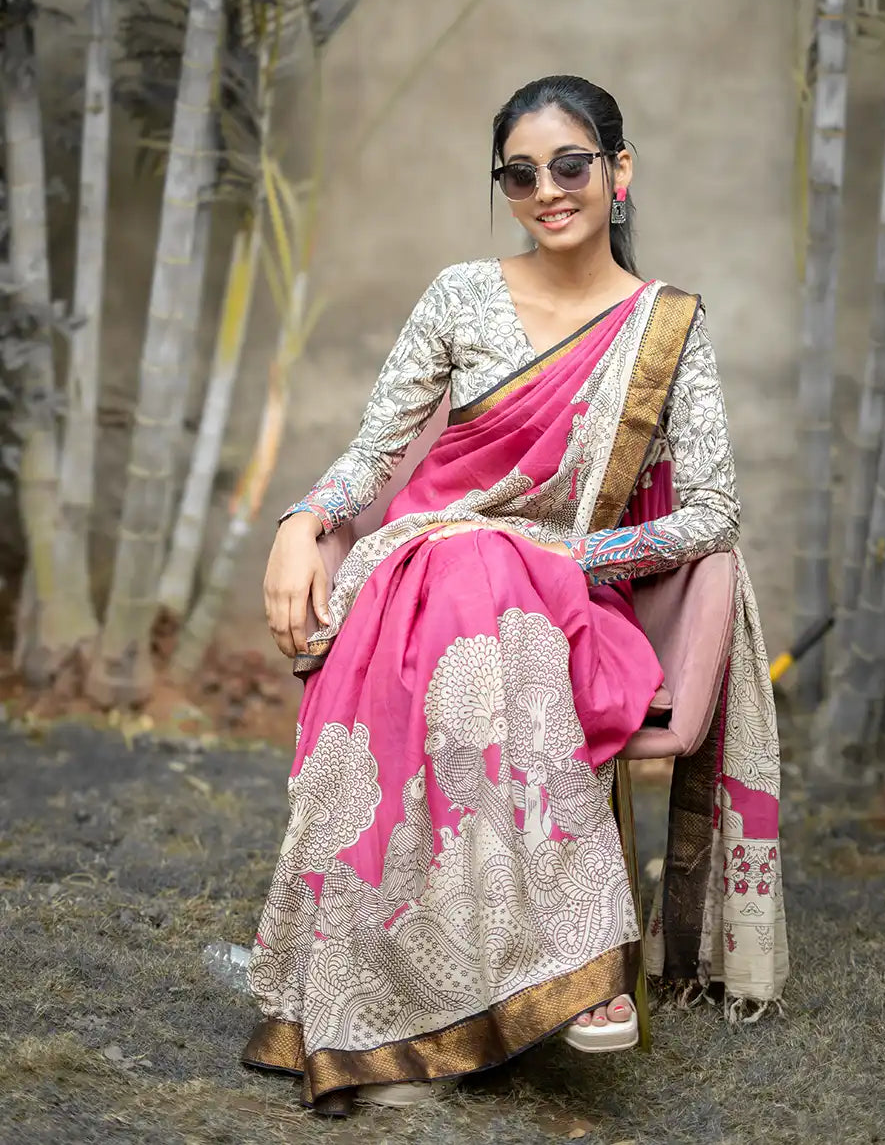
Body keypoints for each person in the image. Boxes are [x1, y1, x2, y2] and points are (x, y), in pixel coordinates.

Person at [242, 76, 786, 1116]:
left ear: (620, 174)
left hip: (574, 599)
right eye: (522, 174)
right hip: (430, 574)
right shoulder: (458, 295)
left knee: (491, 566)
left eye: (572, 165)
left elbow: (713, 512)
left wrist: (565, 562)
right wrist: (301, 520)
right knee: (468, 563)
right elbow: (375, 454)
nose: (549, 190)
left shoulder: (666, 327)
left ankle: (549, 959)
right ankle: (561, 972)